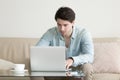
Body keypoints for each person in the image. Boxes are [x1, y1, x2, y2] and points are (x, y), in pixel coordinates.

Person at [36, 6, 94, 80]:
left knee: (87, 67)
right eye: (59, 25)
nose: (62, 29)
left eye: (65, 25)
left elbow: (89, 56)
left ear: (73, 23)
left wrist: (72, 60)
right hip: (55, 71)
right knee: (33, 64)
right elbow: (38, 51)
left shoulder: (83, 33)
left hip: (75, 71)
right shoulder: (50, 33)